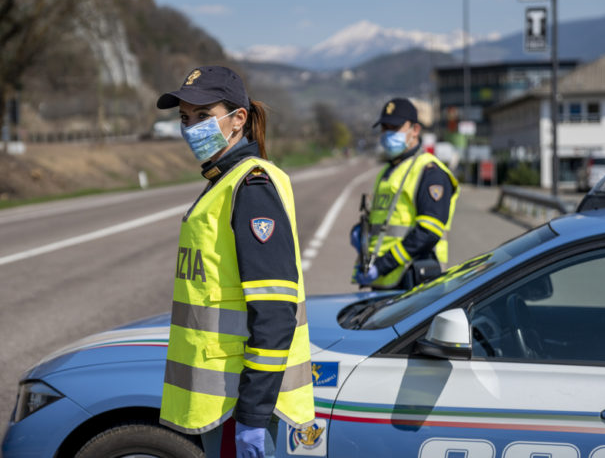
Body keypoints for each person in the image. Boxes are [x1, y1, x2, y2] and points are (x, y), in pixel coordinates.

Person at [156, 66, 315, 458]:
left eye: (203, 116)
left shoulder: (251, 185)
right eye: (184, 118)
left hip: (238, 403)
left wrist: (253, 416)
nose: (191, 128)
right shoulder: (223, 181)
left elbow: (275, 311)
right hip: (222, 400)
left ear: (238, 119)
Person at [352, 97, 459, 290]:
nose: (387, 133)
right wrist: (362, 234)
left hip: (413, 279)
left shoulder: (430, 172)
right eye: (384, 128)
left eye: (394, 127)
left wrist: (383, 265)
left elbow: (429, 231)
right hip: (383, 278)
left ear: (415, 130)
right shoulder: (388, 171)